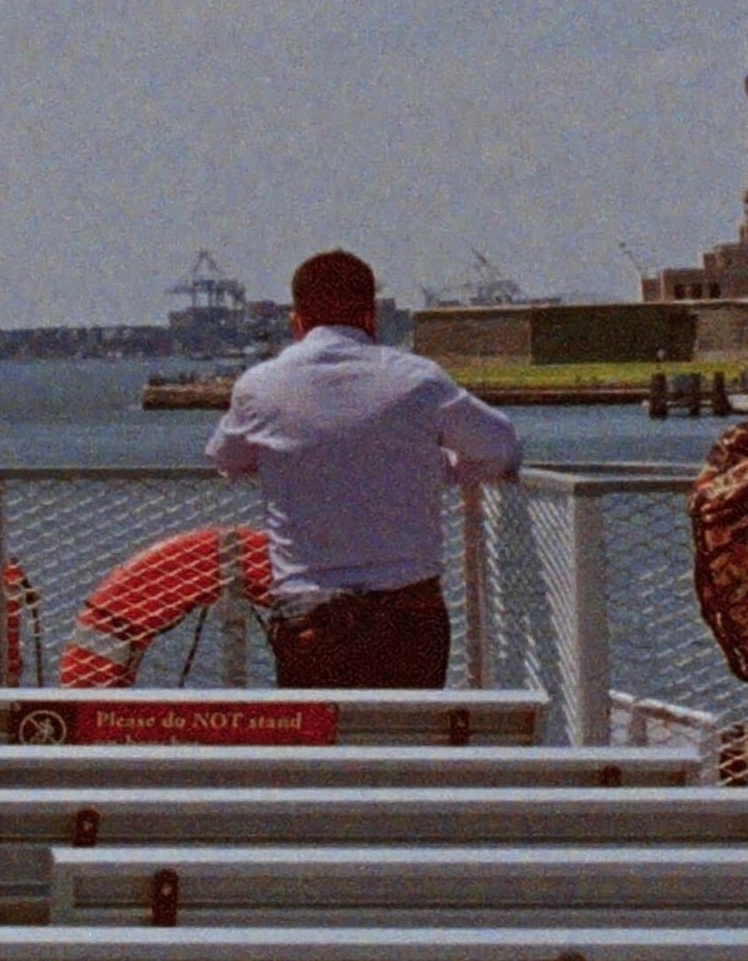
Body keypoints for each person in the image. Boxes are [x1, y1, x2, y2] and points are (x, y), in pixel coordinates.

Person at [208, 247, 520, 690]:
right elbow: (501, 447)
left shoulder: (260, 387)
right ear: (370, 316)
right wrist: (443, 469)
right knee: (409, 747)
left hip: (309, 616)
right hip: (408, 613)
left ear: (296, 322)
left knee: (320, 751)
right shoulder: (419, 381)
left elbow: (227, 459)